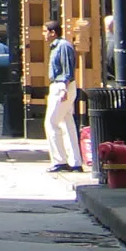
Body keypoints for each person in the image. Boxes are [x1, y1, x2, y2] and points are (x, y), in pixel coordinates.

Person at [44, 19, 82, 173]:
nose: (44, 35)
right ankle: (75, 161)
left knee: (51, 122)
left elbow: (67, 70)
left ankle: (60, 160)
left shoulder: (62, 46)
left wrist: (64, 88)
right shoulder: (59, 46)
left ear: (53, 32)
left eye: (45, 31)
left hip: (61, 85)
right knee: (67, 123)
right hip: (63, 85)